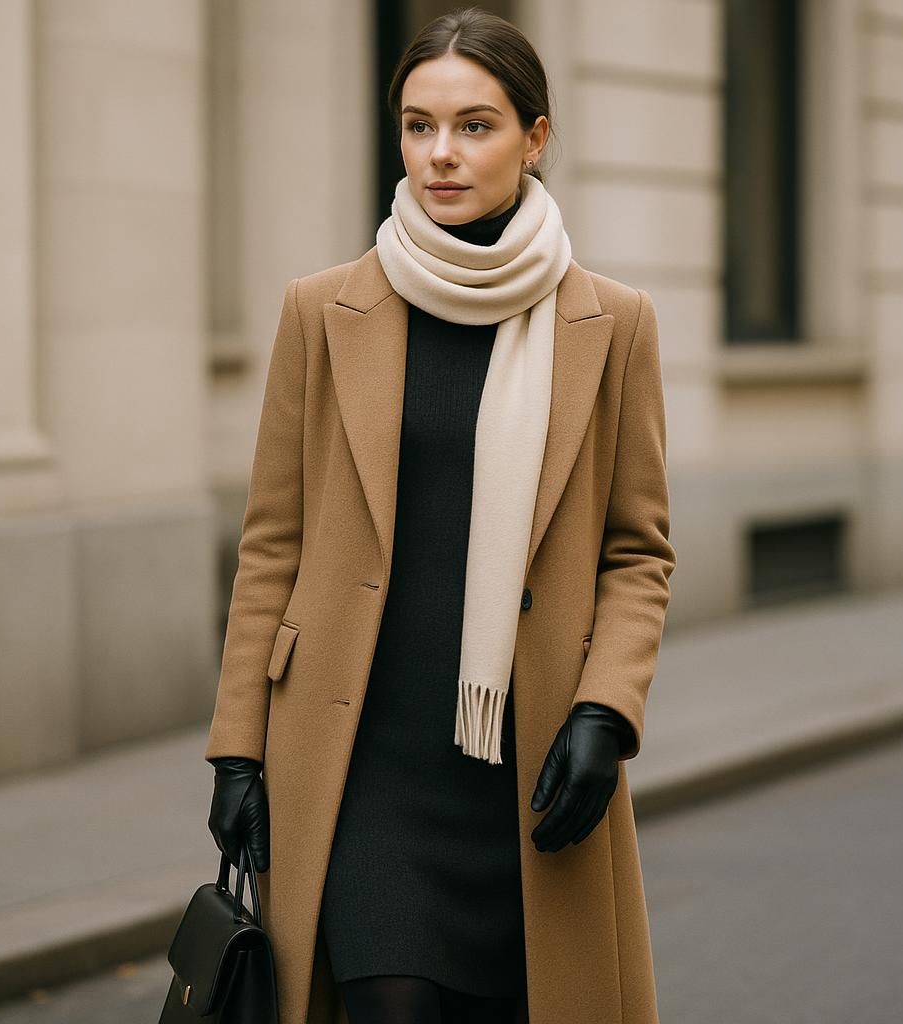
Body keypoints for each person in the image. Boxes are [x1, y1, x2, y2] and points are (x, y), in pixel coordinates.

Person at [205, 8, 675, 1024]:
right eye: (419, 126)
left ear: (535, 138)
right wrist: (238, 748)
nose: (441, 156)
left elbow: (637, 552)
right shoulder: (322, 313)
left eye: (474, 126)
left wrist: (607, 708)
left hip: (527, 767)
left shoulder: (613, 325)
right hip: (360, 763)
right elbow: (272, 546)